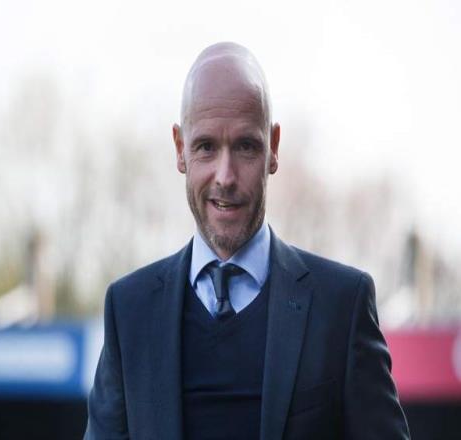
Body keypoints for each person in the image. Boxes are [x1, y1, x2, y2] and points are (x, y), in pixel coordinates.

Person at [84, 42, 410, 439]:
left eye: (245, 146)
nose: (225, 176)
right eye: (206, 147)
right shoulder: (129, 311)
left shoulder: (342, 306)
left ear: (273, 148)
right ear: (180, 149)